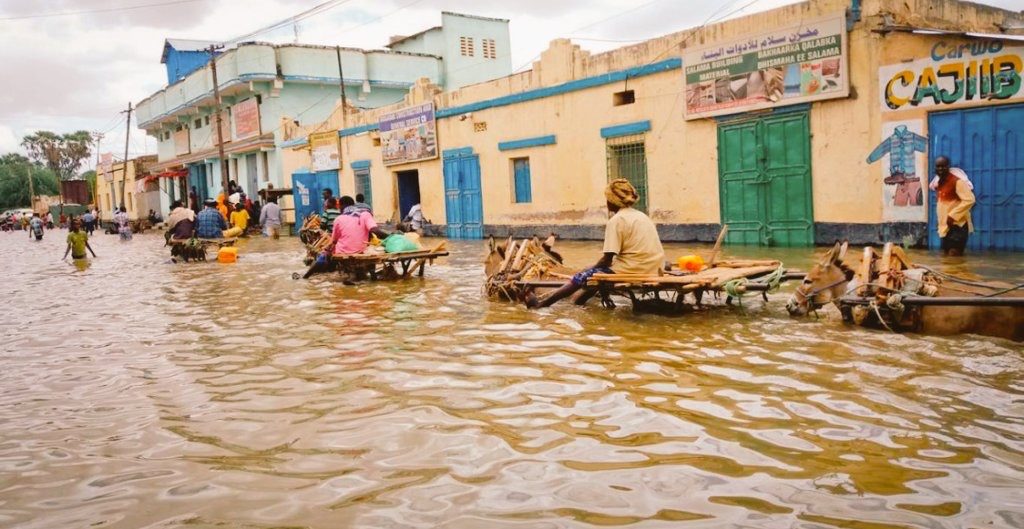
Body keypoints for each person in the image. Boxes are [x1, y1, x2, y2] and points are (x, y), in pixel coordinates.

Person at [526, 179, 664, 308]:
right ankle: (579, 303)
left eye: (607, 199)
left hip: (633, 269)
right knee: (594, 274)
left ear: (612, 201)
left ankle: (542, 305)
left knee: (581, 277)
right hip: (654, 267)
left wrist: (587, 271)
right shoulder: (642, 216)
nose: (606, 203)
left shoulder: (616, 220)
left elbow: (607, 260)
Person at [930, 156, 976, 256]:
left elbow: (970, 200)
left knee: (953, 256)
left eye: (943, 166)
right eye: (938, 166)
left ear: (948, 167)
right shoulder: (939, 183)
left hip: (958, 226)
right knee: (948, 260)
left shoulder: (957, 182)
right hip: (946, 227)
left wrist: (952, 216)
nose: (940, 169)